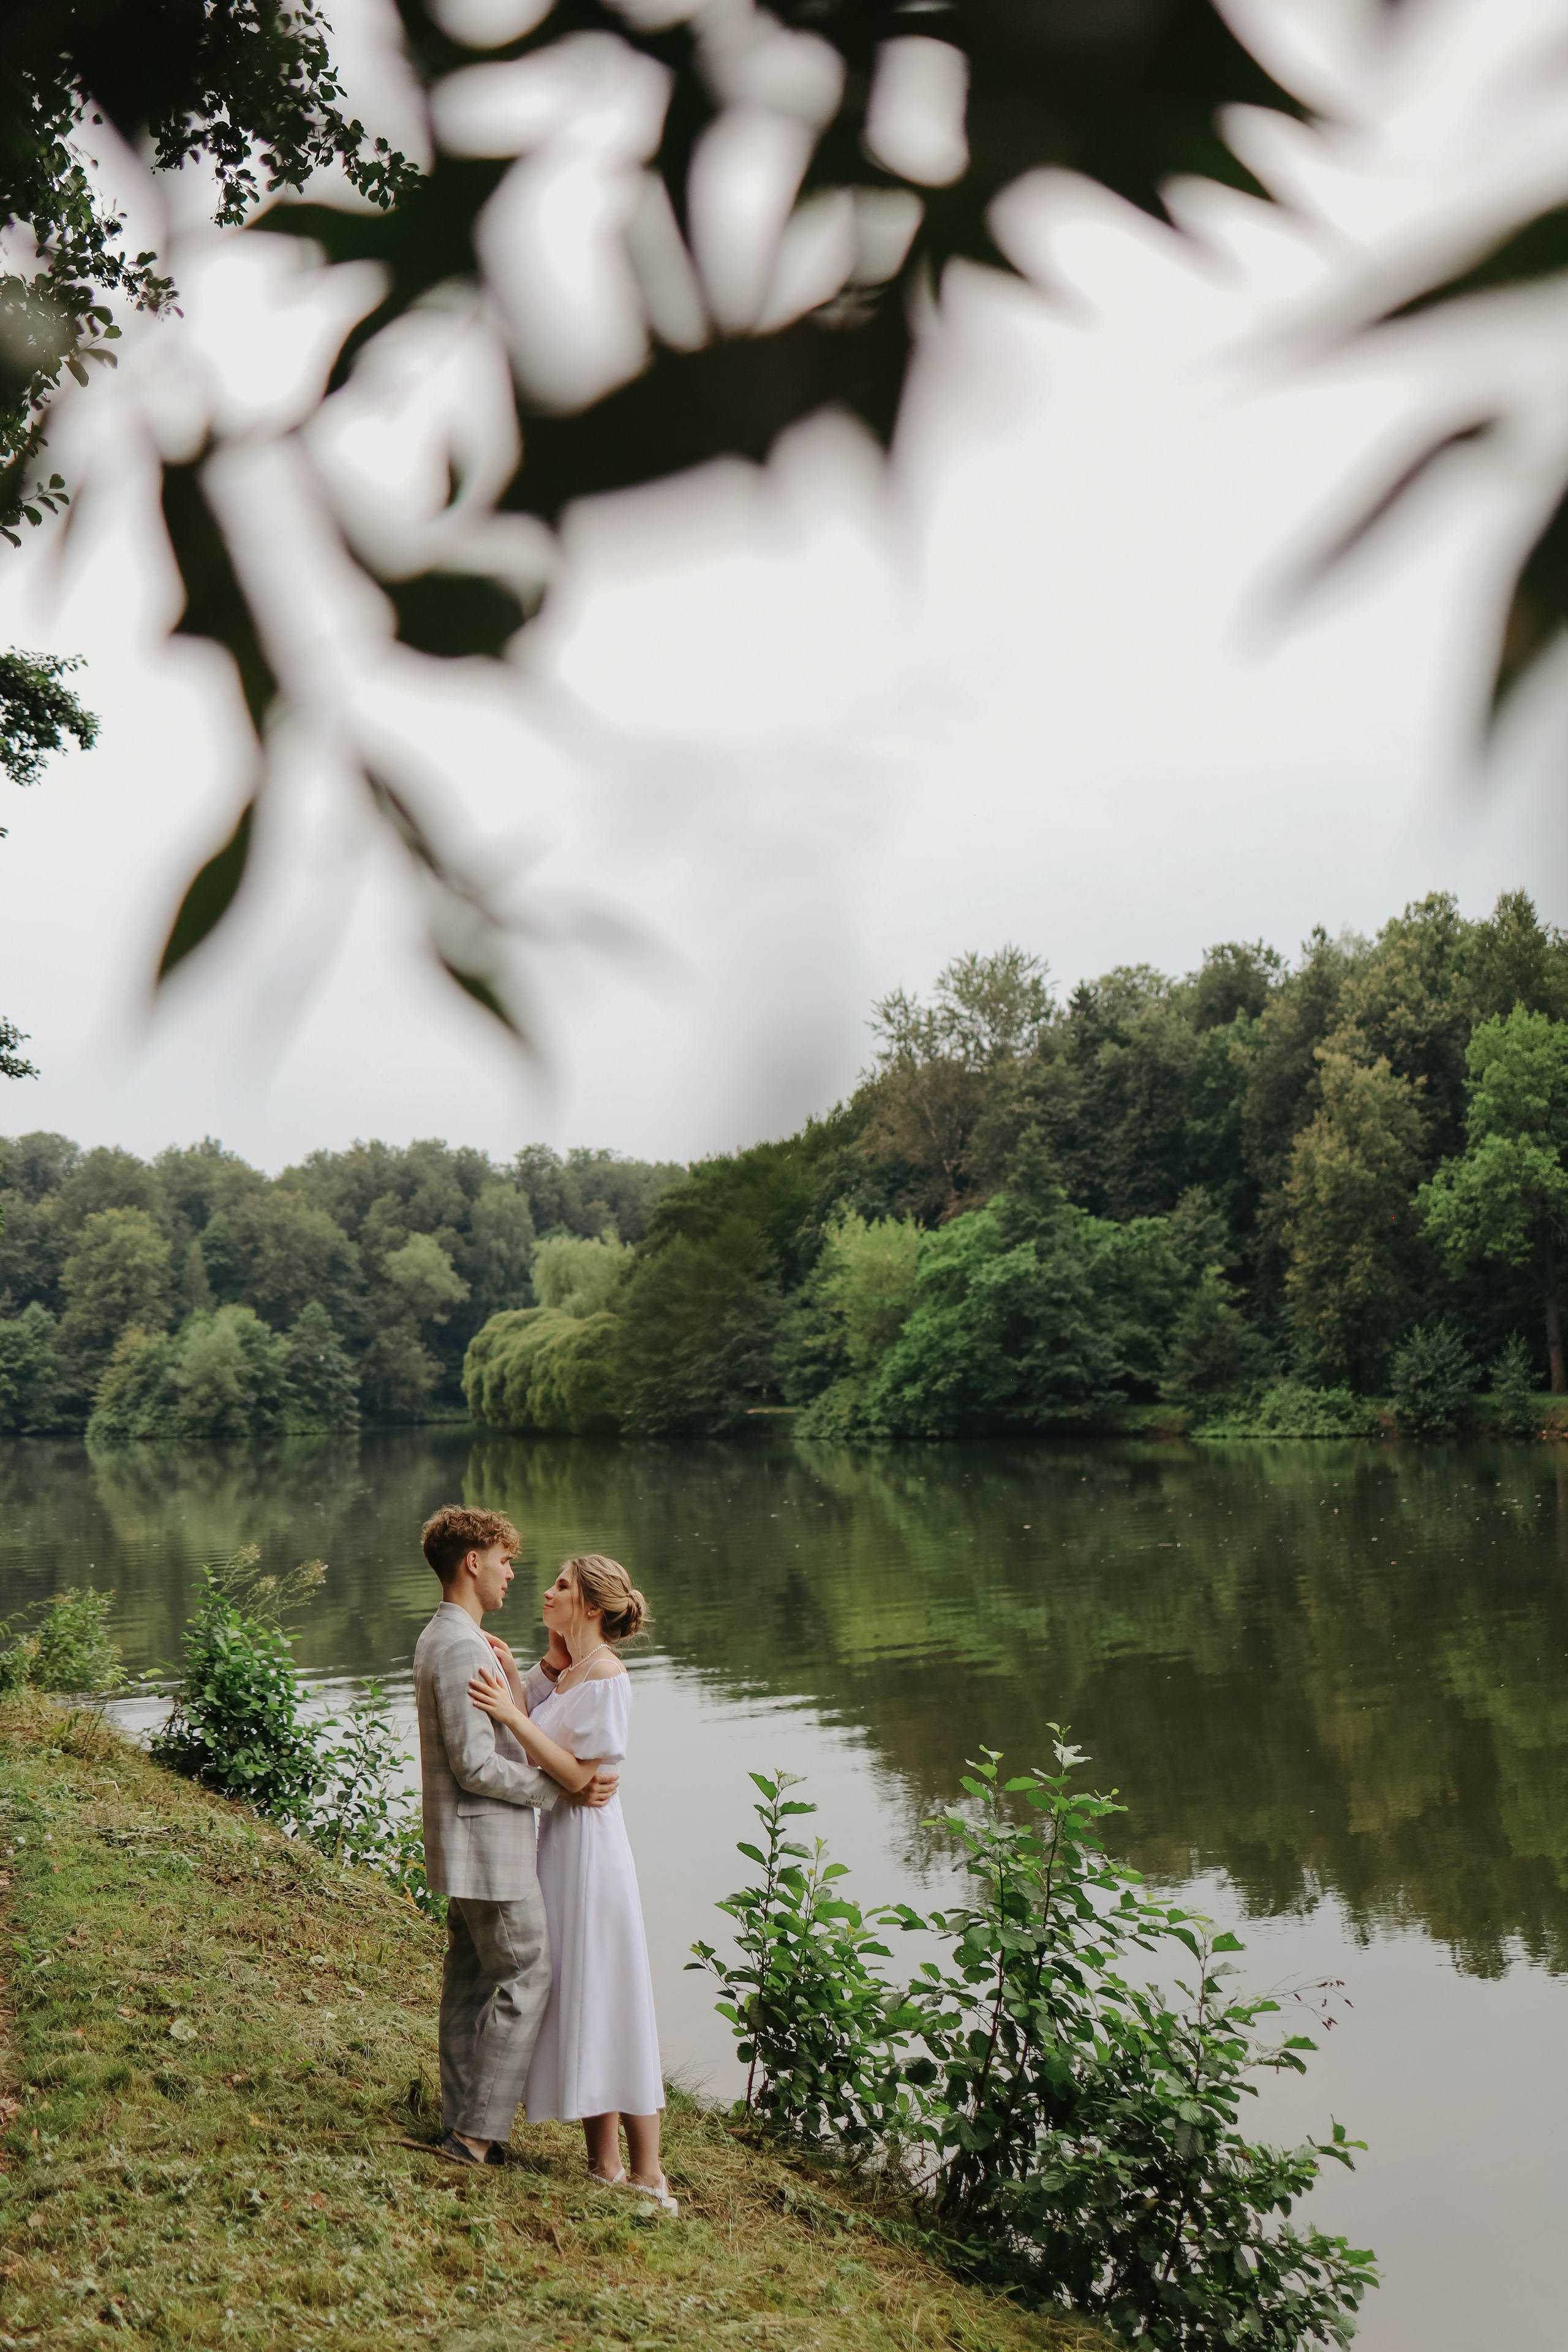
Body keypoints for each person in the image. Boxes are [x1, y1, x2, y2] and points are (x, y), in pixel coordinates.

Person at [412, 1506, 618, 2169]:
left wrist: (539, 1675)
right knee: (528, 1972)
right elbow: (475, 1763)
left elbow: (497, 1727)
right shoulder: (459, 1646)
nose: (512, 1575)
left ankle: (463, 2121)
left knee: (471, 1983)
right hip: (487, 1848)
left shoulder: (456, 1639)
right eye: (504, 1561)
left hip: (468, 1846)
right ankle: (474, 2138)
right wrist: (557, 1789)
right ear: (472, 1562)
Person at [468, 1551, 673, 2212]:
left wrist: (509, 1712)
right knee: (581, 1991)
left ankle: (649, 2175)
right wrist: (518, 1673)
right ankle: (603, 2165)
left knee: (614, 1996)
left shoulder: (609, 1676)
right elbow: (550, 1748)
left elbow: (580, 1775)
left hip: (593, 1854)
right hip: (559, 1847)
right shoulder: (574, 1670)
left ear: (589, 1605)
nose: (546, 1591)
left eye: (561, 1586)